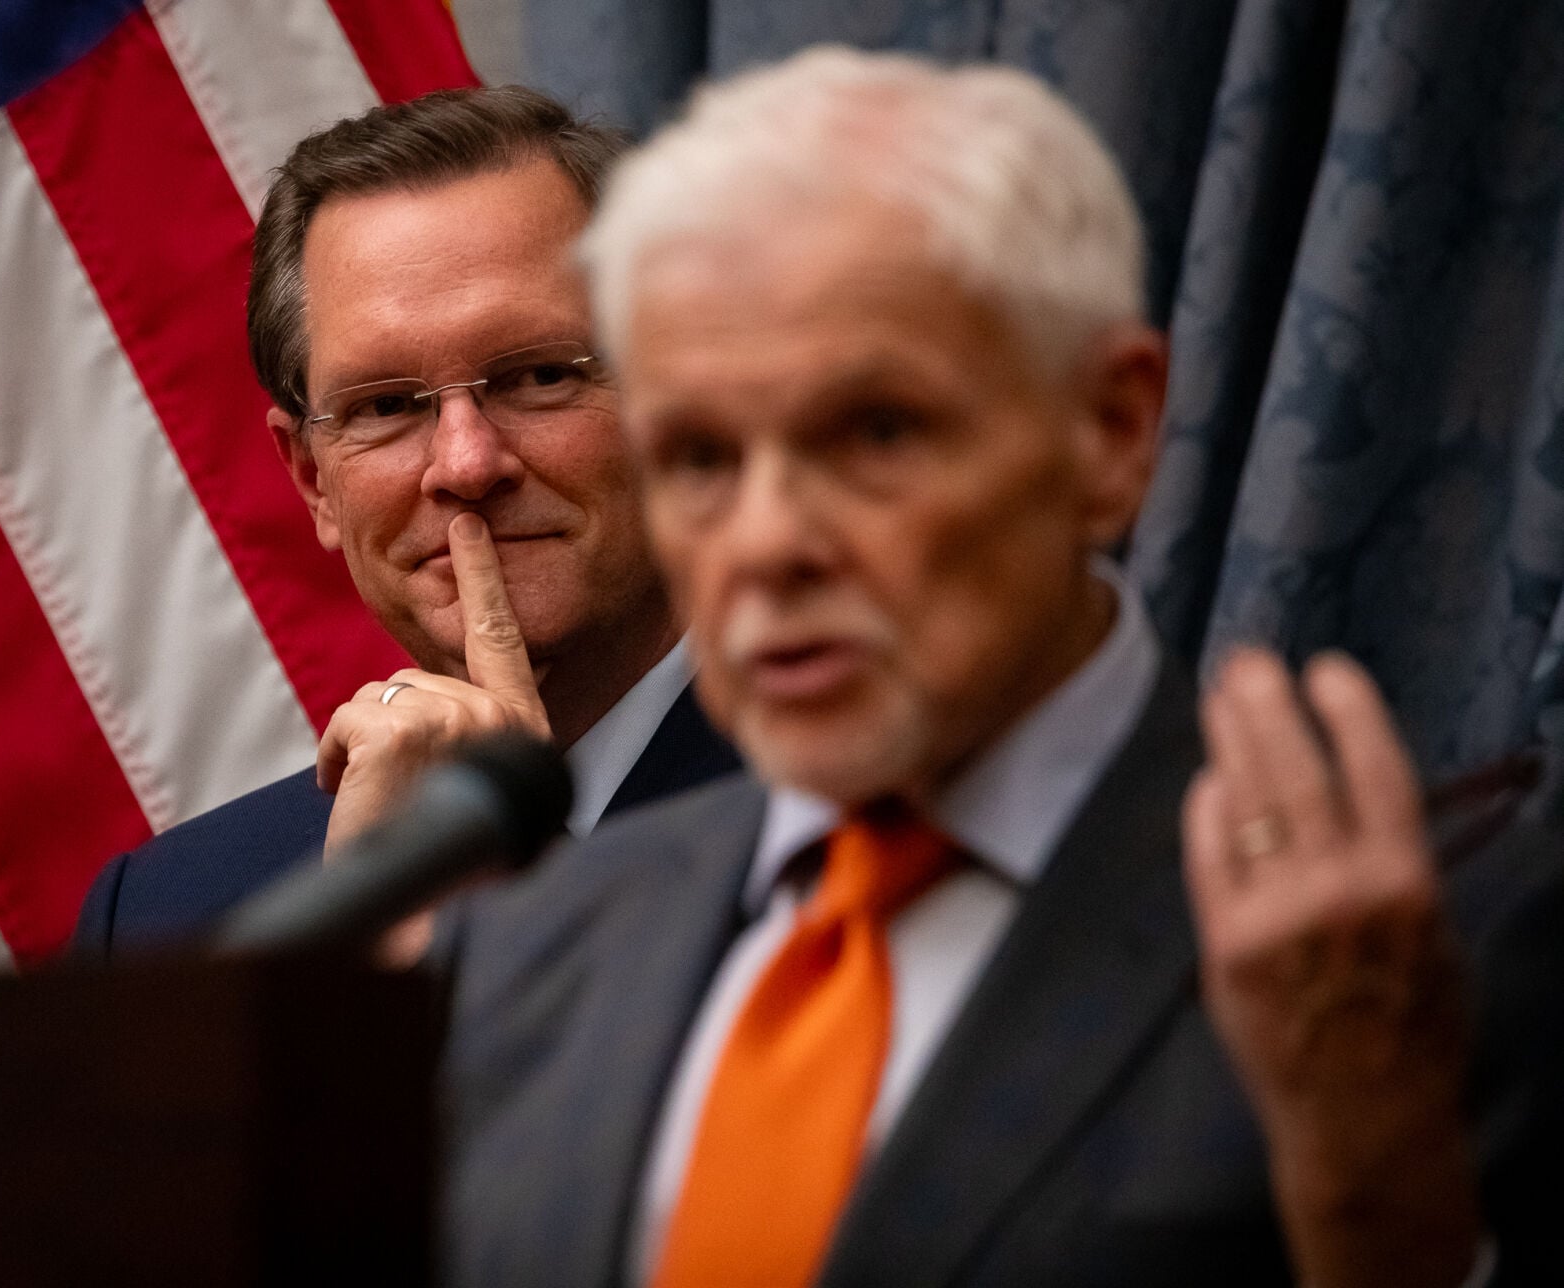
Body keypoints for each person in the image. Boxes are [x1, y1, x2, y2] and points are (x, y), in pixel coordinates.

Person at [439, 48, 1553, 1287]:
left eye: (876, 432)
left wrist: (1374, 1203)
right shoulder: (541, 937)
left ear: (1111, 431)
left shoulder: (1428, 956)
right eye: (699, 458)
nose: (765, 543)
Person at [74, 88, 739, 955]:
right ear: (313, 479)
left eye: (540, 376)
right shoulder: (167, 917)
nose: (466, 464)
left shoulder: (860, 807)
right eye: (386, 405)